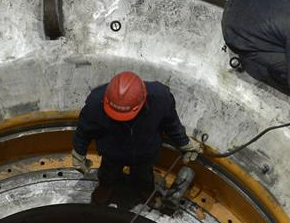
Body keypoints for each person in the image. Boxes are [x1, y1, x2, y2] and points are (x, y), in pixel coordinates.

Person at [71, 71, 202, 205]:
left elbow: (171, 123)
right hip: (112, 152)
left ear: (142, 101)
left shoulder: (160, 99)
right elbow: (84, 130)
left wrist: (184, 143)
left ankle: (145, 189)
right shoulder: (95, 103)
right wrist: (78, 152)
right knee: (108, 173)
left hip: (145, 152)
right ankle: (105, 186)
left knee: (144, 175)